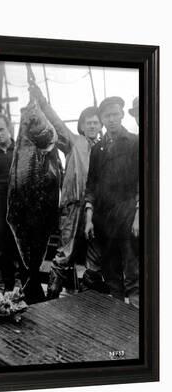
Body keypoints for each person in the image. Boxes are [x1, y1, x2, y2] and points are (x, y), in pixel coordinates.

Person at [29, 84, 104, 299]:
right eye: (88, 123)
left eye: (95, 123)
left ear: (100, 125)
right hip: (73, 206)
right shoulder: (73, 142)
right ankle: (52, 295)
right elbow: (57, 123)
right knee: (65, 252)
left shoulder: (103, 148)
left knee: (94, 254)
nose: (92, 126)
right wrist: (41, 100)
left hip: (95, 209)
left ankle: (88, 298)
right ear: (81, 126)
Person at [84, 96, 139, 308]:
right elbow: (91, 186)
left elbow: (141, 183)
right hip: (104, 221)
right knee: (111, 273)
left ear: (122, 115)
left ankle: (135, 321)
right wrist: (89, 220)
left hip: (127, 219)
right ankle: (118, 321)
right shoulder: (98, 150)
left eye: (115, 114)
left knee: (133, 273)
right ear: (102, 119)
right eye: (107, 116)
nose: (112, 119)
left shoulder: (135, 142)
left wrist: (137, 217)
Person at [0, 113, 24, 292]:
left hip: (19, 202)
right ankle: (8, 286)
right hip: (0, 204)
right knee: (4, 246)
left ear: (10, 129)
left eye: (1, 129)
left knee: (22, 246)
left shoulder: (21, 150)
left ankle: (27, 284)